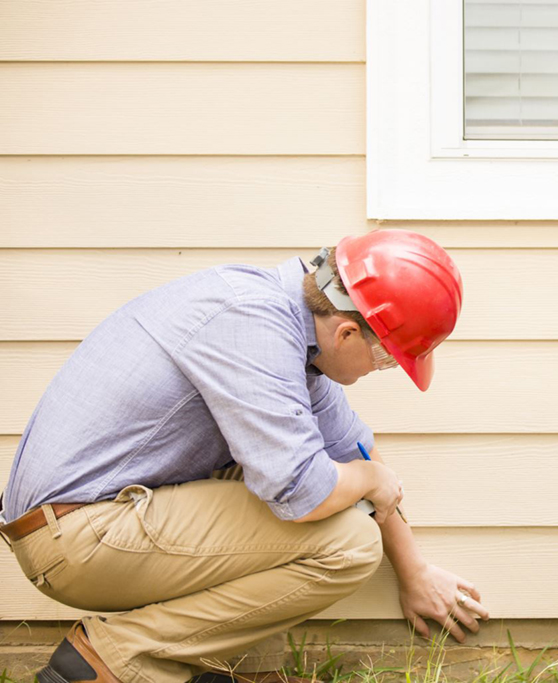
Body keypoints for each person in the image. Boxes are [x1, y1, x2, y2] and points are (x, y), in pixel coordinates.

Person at [0, 230, 489, 683]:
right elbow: (304, 490)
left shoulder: (292, 333)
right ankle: (115, 660)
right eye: (386, 358)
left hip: (92, 522)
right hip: (76, 536)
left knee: (288, 475)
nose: (383, 370)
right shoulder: (251, 326)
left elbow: (353, 448)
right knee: (349, 541)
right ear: (345, 333)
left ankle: (169, 660)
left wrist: (414, 571)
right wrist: (366, 478)